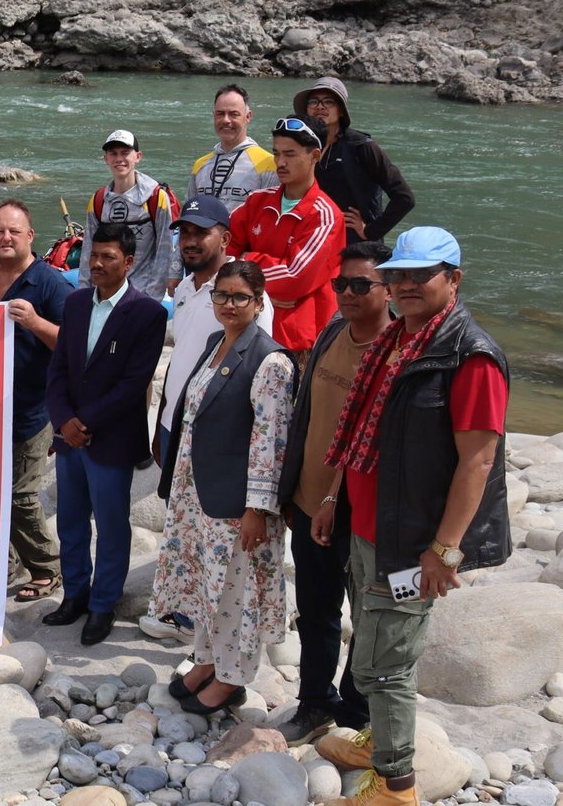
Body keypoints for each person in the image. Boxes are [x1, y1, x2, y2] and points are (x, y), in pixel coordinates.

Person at [315, 228, 509, 806]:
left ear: (454, 278)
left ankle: (397, 786)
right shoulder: (399, 339)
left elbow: (477, 461)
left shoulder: (470, 356)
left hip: (411, 543)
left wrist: (443, 551)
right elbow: (365, 435)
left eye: (421, 275)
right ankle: (381, 743)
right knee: (373, 646)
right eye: (398, 274)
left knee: (386, 664)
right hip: (371, 527)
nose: (405, 284)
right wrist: (334, 498)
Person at [151, 260, 296, 713]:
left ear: (259, 301)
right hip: (198, 490)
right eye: (222, 295)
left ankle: (232, 679)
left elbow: (270, 442)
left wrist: (257, 509)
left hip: (237, 501)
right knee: (205, 583)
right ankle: (207, 659)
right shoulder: (216, 341)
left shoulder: (270, 361)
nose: (229, 305)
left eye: (240, 297)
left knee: (235, 590)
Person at [273, 241, 394, 745]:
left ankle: (356, 708)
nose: (347, 293)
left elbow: (376, 442)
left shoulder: (397, 354)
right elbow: (305, 416)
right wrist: (289, 491)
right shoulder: (331, 334)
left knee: (368, 617)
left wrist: (333, 501)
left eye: (361, 284)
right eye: (341, 283)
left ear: (390, 289)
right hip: (308, 501)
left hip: (362, 513)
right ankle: (315, 702)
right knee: (317, 610)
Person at [142, 194, 273, 645]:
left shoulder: (242, 292)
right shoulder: (185, 289)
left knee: (216, 530)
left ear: (226, 238)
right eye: (185, 232)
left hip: (215, 435)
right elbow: (181, 357)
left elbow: (256, 369)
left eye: (202, 232)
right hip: (177, 423)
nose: (191, 240)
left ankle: (215, 627)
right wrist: (163, 419)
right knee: (184, 522)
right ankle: (187, 613)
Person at [43, 223, 168, 646]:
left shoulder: (148, 312)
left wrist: (84, 423)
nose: (96, 263)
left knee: (112, 526)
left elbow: (134, 384)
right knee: (70, 522)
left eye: (107, 257)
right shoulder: (76, 303)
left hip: (110, 440)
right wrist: (63, 421)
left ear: (128, 262)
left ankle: (103, 604)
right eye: (93, 255)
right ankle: (75, 595)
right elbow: (59, 368)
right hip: (68, 438)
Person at [0, 200, 72, 602]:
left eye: (14, 231)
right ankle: (10, 561)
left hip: (34, 407)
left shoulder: (50, 283)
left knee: (20, 494)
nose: (6, 238)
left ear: (30, 236)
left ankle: (48, 567)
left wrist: (35, 322)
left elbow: (73, 344)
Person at [228, 115, 345, 361]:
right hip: (247, 331)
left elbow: (294, 277)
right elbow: (221, 251)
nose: (280, 162)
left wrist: (246, 259)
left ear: (315, 155)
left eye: (290, 154)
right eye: (276, 153)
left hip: (297, 345)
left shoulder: (325, 215)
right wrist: (263, 294)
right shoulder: (256, 201)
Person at [294, 77, 416, 244]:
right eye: (313, 101)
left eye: (329, 102)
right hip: (314, 240)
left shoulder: (362, 147)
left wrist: (371, 231)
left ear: (341, 111)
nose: (320, 107)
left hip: (355, 247)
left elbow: (404, 198)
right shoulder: (302, 147)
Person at [80, 130, 179, 301]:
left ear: (138, 157)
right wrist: (84, 293)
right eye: (113, 153)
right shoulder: (98, 200)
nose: (119, 159)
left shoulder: (156, 198)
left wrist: (151, 298)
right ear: (106, 159)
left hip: (141, 294)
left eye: (125, 152)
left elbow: (164, 250)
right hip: (105, 293)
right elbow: (88, 249)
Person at [188, 84, 279, 209]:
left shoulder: (269, 164)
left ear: (248, 117)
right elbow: (190, 211)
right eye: (220, 114)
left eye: (233, 114)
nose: (226, 120)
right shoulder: (200, 165)